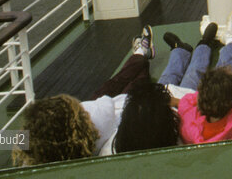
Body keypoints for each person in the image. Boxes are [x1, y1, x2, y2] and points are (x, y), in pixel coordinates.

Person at [14, 25, 156, 165]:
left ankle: (141, 54)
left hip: (106, 112)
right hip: (121, 108)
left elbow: (5, 140)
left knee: (117, 83)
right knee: (125, 83)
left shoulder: (47, 153)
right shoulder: (96, 122)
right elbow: (106, 103)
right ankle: (141, 54)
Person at [164, 15, 232, 144]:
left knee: (194, 73)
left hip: (200, 105)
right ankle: (230, 40)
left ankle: (216, 41)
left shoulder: (189, 129)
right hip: (229, 100)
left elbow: (185, 102)